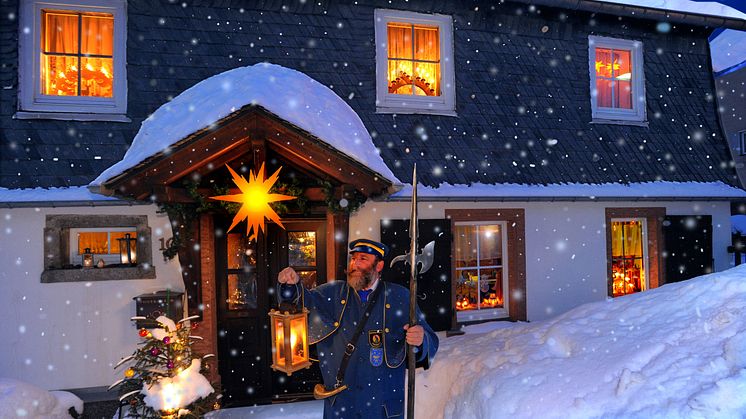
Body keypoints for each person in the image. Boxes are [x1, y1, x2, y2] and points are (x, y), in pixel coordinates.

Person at [277, 238, 439, 418]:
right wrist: (290, 286)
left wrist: (421, 340)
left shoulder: (400, 297)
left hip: (382, 408)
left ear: (379, 266)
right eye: (353, 258)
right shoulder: (332, 293)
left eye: (363, 259)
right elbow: (301, 303)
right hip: (342, 407)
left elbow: (430, 342)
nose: (354, 264)